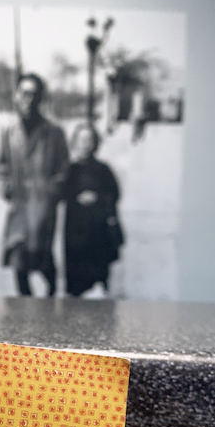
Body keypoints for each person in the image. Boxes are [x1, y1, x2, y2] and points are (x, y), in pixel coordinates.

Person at [0, 73, 69, 297]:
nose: (28, 99)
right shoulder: (9, 132)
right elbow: (2, 163)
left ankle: (50, 301)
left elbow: (64, 168)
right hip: (19, 206)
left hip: (42, 206)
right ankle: (25, 309)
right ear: (16, 96)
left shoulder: (54, 132)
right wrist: (7, 185)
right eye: (24, 93)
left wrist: (51, 192)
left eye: (33, 94)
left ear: (41, 98)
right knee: (18, 259)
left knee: (42, 258)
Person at [64, 123, 123, 297]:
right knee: (76, 284)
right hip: (75, 232)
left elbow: (115, 193)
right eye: (81, 140)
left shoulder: (103, 170)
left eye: (89, 140)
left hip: (97, 231)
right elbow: (60, 192)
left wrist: (97, 197)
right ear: (75, 143)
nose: (85, 144)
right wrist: (75, 196)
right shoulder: (70, 169)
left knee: (98, 280)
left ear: (95, 143)